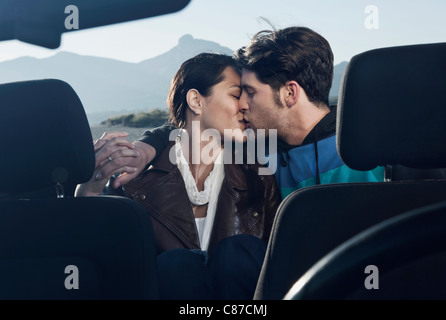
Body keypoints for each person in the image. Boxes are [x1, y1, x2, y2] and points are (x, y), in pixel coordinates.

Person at [75, 52, 281, 300]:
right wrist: (89, 187)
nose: (245, 105)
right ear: (196, 100)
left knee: (239, 250)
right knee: (176, 265)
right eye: (236, 95)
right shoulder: (133, 180)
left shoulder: (259, 177)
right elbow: (97, 259)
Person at [104, 26, 384, 199]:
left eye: (249, 93)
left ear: (289, 93)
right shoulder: (262, 145)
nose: (242, 105)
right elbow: (198, 127)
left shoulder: (370, 152)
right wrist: (146, 147)